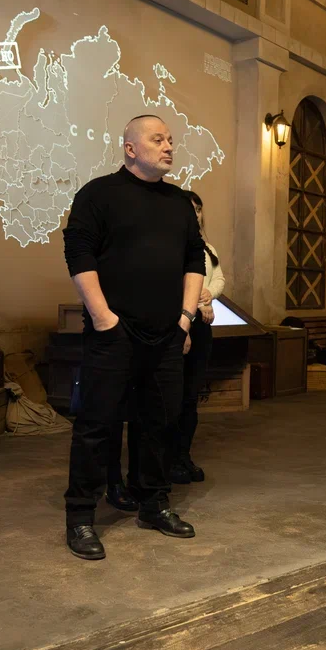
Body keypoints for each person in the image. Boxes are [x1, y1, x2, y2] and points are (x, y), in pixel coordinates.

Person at [61, 114, 205, 561]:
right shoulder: (98, 194)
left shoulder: (179, 202)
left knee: (159, 422)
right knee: (97, 425)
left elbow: (194, 261)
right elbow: (78, 253)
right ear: (130, 149)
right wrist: (103, 317)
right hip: (114, 334)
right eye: (158, 139)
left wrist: (184, 320)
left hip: (167, 334)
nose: (169, 146)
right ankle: (81, 517)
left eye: (170, 140)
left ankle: (153, 504)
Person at [124, 192, 223, 486]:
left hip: (201, 324)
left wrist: (208, 296)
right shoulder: (169, 246)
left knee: (191, 397)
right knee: (169, 399)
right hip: (178, 324)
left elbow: (218, 279)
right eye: (190, 209)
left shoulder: (207, 248)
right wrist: (190, 320)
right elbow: (173, 286)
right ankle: (163, 463)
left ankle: (182, 456)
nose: (195, 214)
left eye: (199, 209)